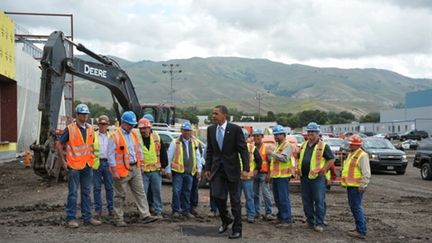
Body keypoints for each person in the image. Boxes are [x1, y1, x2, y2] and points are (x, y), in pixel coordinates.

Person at [205, 105, 249, 239]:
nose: (213, 116)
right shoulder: (211, 129)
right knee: (217, 196)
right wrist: (207, 168)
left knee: (235, 201)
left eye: (216, 114)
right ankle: (226, 220)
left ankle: (237, 229)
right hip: (217, 169)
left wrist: (246, 169)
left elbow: (243, 149)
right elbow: (210, 151)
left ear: (225, 115)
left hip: (232, 170)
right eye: (213, 113)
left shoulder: (235, 129)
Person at [107, 111, 158, 227]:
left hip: (135, 167)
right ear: (123, 123)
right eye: (130, 124)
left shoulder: (134, 134)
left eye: (132, 124)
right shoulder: (115, 135)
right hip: (121, 170)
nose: (131, 126)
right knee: (120, 195)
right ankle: (118, 218)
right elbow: (110, 155)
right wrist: (114, 171)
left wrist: (140, 165)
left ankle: (145, 215)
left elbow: (138, 151)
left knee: (140, 192)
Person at [56, 103, 102, 228]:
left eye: (86, 114)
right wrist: (63, 162)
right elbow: (59, 144)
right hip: (74, 166)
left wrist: (92, 160)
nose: (85, 116)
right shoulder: (70, 129)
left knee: (86, 192)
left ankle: (87, 217)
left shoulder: (90, 128)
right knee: (73, 193)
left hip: (87, 165)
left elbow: (91, 146)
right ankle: (71, 218)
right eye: (82, 114)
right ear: (77, 115)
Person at [296, 122, 335, 232]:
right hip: (304, 177)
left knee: (319, 201)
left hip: (317, 178)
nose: (310, 134)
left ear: (318, 133)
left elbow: (331, 159)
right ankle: (310, 220)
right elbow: (299, 157)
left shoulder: (323, 146)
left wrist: (324, 169)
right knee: (306, 201)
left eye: (313, 132)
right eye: (309, 132)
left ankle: (319, 222)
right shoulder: (304, 145)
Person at [166, 121, 204, 218]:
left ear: (191, 131)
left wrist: (199, 170)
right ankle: (176, 210)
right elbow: (169, 157)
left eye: (188, 131)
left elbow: (198, 157)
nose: (187, 132)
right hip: (178, 172)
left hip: (190, 172)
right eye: (185, 130)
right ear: (181, 131)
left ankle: (186, 210)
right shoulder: (175, 142)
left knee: (187, 191)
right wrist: (168, 170)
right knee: (176, 191)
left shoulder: (195, 142)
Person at [137, 117, 168, 219]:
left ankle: (158, 210)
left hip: (155, 170)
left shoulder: (156, 137)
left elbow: (163, 152)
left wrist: (164, 166)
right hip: (143, 171)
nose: (143, 130)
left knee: (157, 191)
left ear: (149, 128)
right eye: (141, 129)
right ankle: (144, 213)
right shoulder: (137, 138)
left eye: (145, 128)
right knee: (143, 193)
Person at [341, 135, 371, 239]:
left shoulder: (362, 155)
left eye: (351, 144)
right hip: (352, 186)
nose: (349, 145)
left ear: (356, 145)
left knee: (356, 207)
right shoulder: (352, 154)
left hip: (357, 187)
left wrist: (363, 185)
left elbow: (366, 172)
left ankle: (361, 230)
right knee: (354, 207)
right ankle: (359, 228)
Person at [267, 125, 293, 228]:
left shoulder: (287, 145)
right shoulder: (278, 145)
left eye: (278, 134)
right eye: (275, 135)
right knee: (277, 198)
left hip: (283, 176)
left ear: (284, 135)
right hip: (277, 176)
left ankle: (286, 220)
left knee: (283, 199)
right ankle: (281, 217)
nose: (276, 136)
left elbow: (284, 158)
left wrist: (272, 153)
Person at [92, 115, 114, 218]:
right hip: (97, 163)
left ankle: (111, 209)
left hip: (108, 163)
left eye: (105, 124)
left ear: (108, 125)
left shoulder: (112, 136)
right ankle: (98, 210)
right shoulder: (93, 135)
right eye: (101, 124)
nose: (103, 126)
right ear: (98, 124)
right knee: (96, 188)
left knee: (109, 187)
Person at [252, 128, 276, 221]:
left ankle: (268, 212)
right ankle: (256, 212)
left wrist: (269, 174)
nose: (256, 138)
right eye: (254, 136)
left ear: (262, 136)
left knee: (266, 194)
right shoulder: (251, 147)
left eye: (258, 136)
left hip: (264, 173)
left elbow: (270, 162)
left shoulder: (267, 148)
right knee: (255, 194)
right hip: (254, 174)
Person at [240, 128, 262, 223]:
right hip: (237, 177)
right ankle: (237, 214)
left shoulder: (252, 148)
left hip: (248, 177)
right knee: (236, 197)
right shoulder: (234, 148)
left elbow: (259, 160)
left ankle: (251, 215)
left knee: (249, 197)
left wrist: (256, 170)